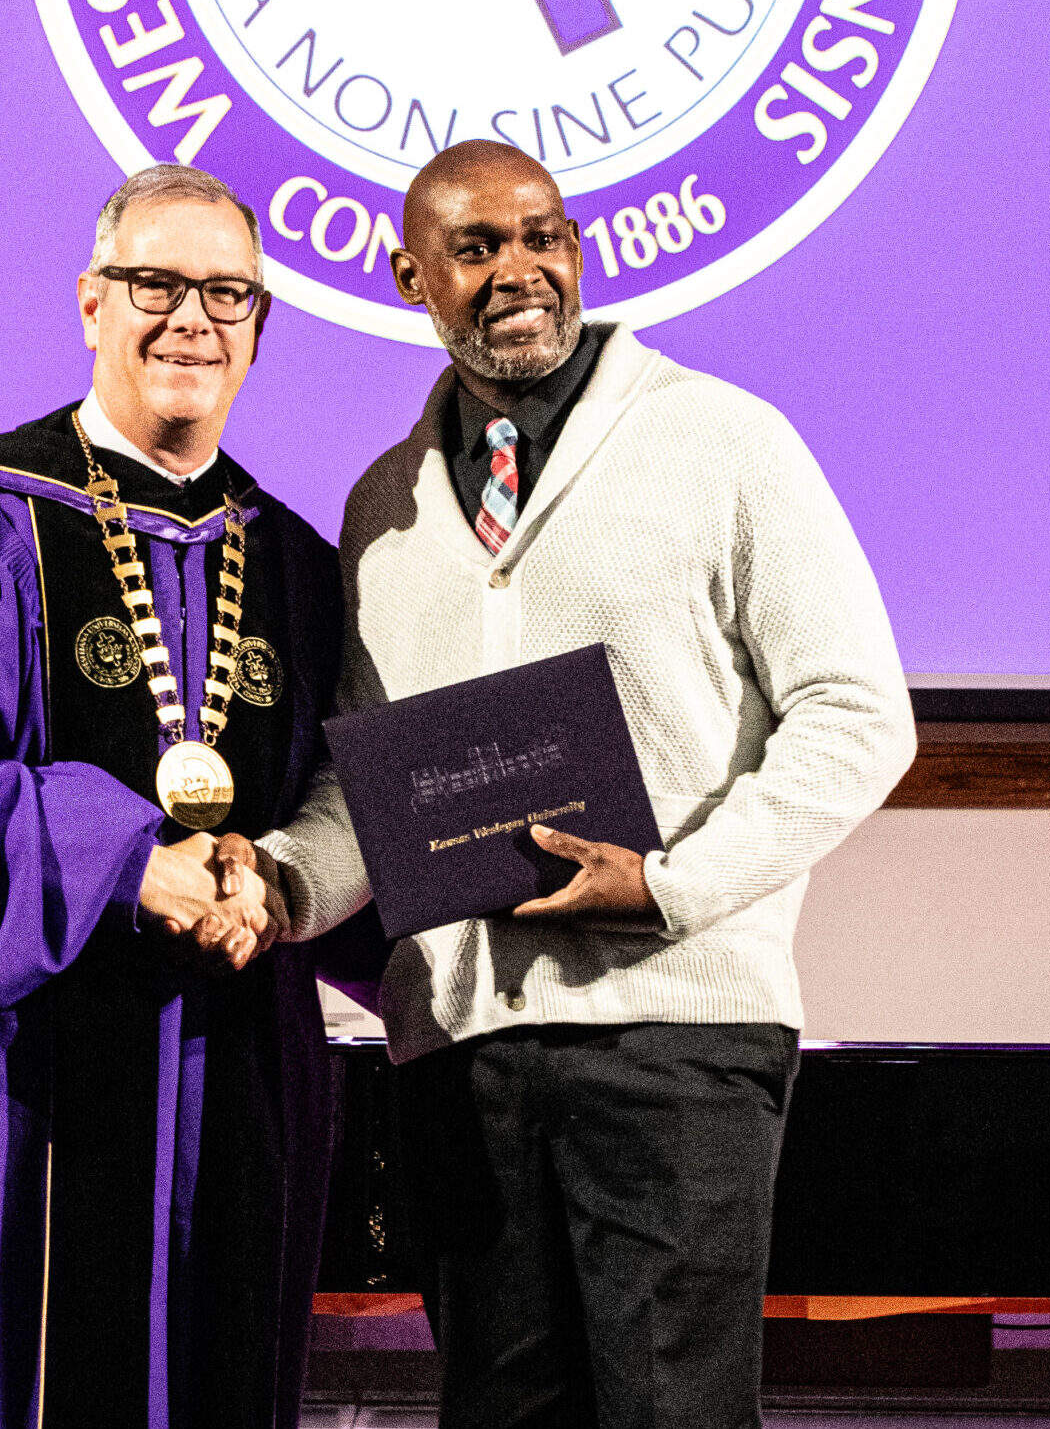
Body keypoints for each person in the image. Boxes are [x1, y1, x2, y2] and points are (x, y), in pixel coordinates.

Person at [250, 140, 918, 1428]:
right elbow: (364, 788)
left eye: (542, 235)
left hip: (673, 1040)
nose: (519, 270)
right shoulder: (382, 505)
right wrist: (275, 883)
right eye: (477, 247)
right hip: (460, 1056)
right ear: (409, 277)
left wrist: (669, 884)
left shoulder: (721, 439)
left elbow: (857, 714)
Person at [0, 164, 339, 1429]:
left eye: (224, 292)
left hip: (224, 1067)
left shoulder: (299, 562)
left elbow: (332, 807)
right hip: (2, 1065)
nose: (189, 317)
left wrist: (267, 873)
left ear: (259, 325)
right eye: (155, 282)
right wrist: (113, 858)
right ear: (92, 302)